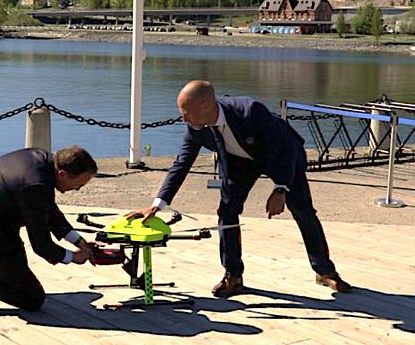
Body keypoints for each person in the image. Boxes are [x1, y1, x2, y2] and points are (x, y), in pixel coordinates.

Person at [127, 80, 351, 297]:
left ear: (206, 106)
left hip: (280, 156)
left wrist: (280, 189)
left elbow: (286, 149)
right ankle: (233, 275)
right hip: (238, 163)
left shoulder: (250, 111)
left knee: (303, 211)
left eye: (187, 112)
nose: (183, 118)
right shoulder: (196, 128)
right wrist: (157, 205)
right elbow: (181, 165)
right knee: (227, 212)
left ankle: (324, 271)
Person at [0, 145, 97, 312]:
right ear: (63, 174)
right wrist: (73, 257)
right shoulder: (34, 184)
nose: (77, 189)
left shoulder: (39, 160)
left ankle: (1, 278)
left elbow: (49, 211)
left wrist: (80, 242)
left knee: (18, 279)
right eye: (78, 184)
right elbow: (41, 245)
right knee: (31, 298)